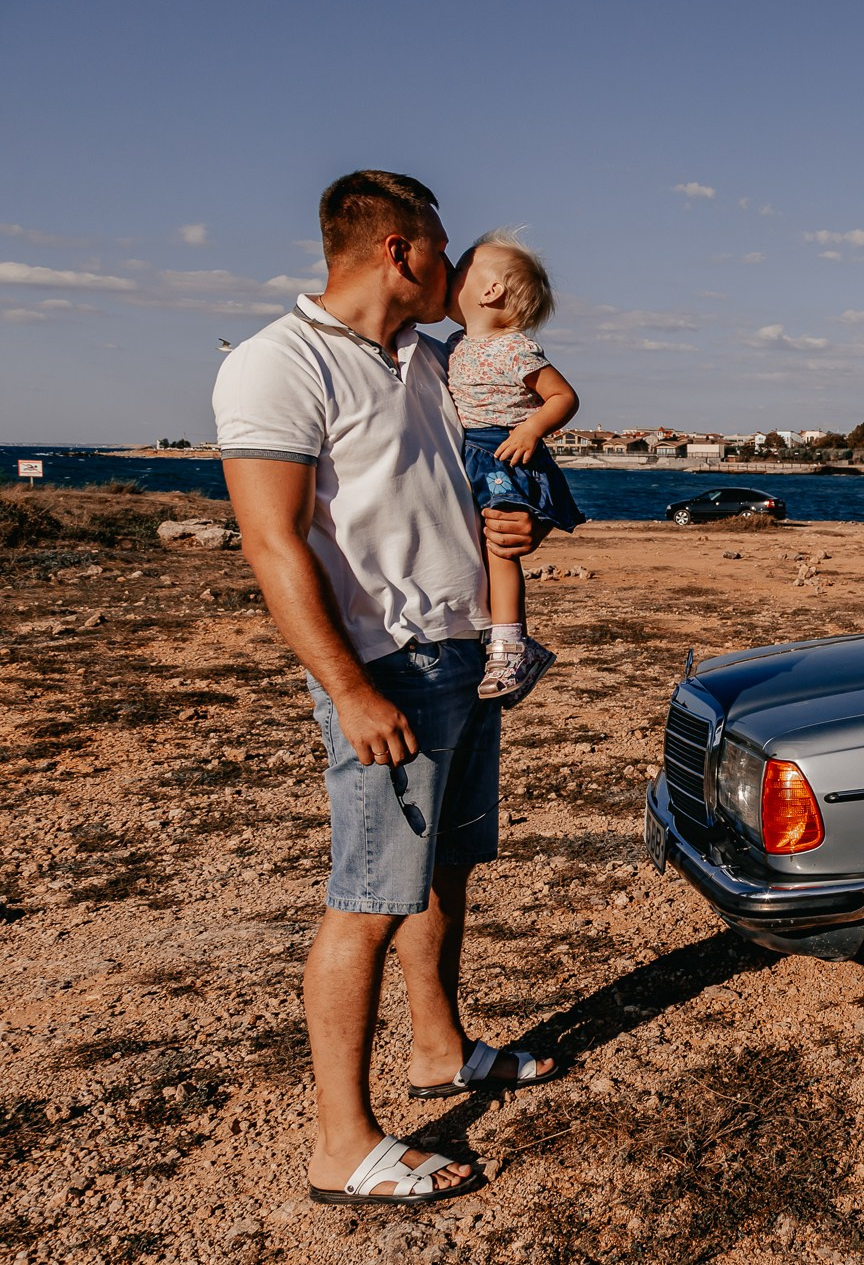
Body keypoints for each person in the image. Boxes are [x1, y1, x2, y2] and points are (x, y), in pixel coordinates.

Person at [213, 171, 558, 1207]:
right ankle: (342, 1145)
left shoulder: (433, 360)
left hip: (461, 655)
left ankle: (440, 1049)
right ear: (403, 252)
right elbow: (272, 546)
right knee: (367, 898)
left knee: (446, 869)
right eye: (444, 251)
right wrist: (348, 691)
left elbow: (455, 488)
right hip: (388, 673)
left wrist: (513, 527)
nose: (456, 273)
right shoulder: (279, 364)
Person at [444, 229, 584, 704]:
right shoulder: (455, 342)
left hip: (501, 450)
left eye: (458, 269)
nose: (448, 274)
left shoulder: (515, 348)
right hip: (474, 452)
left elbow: (564, 396)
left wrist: (529, 431)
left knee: (500, 546)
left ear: (490, 291)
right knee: (483, 545)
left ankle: (511, 645)